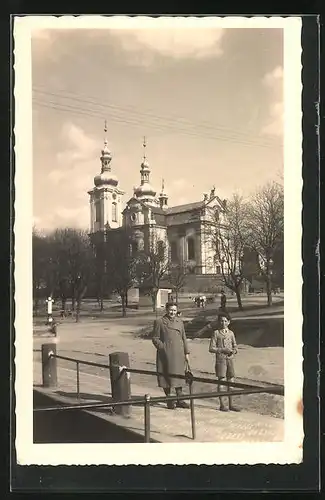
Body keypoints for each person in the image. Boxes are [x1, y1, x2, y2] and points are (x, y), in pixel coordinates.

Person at [152, 302, 190, 410]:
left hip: (179, 354)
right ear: (166, 310)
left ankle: (180, 399)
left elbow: (184, 338)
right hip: (165, 355)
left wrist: (186, 352)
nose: (172, 312)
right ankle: (169, 399)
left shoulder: (180, 322)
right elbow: (155, 338)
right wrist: (163, 347)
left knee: (179, 376)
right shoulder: (159, 322)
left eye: (174, 310)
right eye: (170, 310)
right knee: (166, 376)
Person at [209, 312, 241, 412]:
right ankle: (222, 404)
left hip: (230, 359)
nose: (223, 323)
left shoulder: (231, 333)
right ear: (219, 322)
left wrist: (234, 351)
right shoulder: (216, 333)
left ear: (229, 322)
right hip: (220, 360)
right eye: (221, 321)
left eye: (225, 321)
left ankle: (231, 404)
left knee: (231, 381)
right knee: (221, 381)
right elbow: (211, 348)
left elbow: (235, 345)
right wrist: (222, 350)